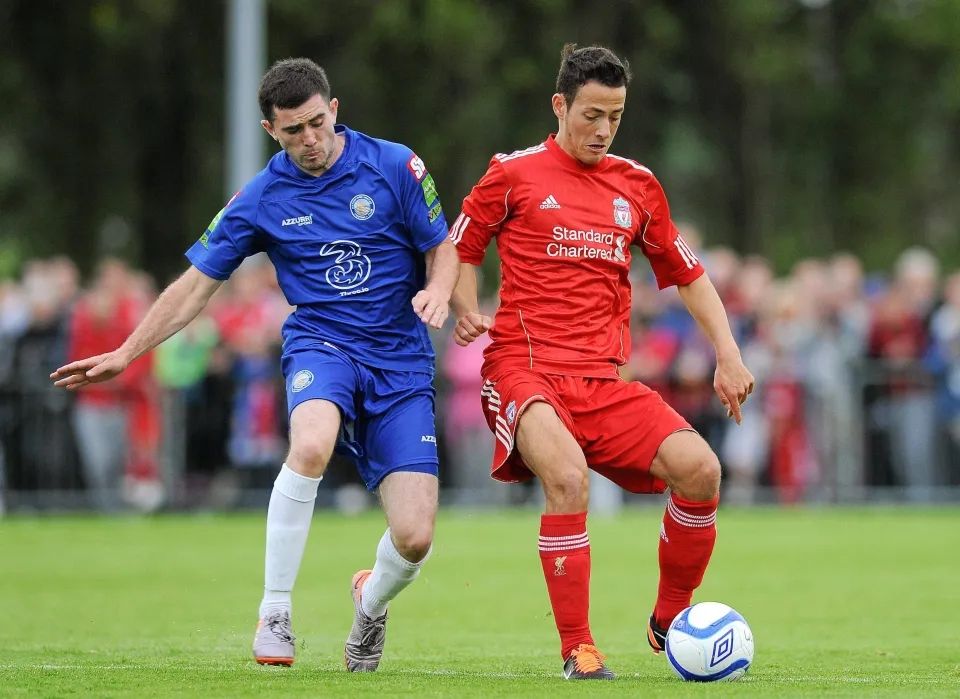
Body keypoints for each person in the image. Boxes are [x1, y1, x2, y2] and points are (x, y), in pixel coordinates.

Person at [51, 57, 459, 671]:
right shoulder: (263, 196)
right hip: (322, 345)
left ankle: (370, 602)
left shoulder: (395, 164)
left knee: (415, 537)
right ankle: (275, 610)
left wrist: (439, 290)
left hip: (401, 362)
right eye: (293, 130)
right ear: (271, 130)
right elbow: (196, 285)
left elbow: (442, 246)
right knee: (312, 442)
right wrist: (127, 351)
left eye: (317, 123)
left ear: (335, 110)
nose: (310, 140)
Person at [449, 44, 754, 680]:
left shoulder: (637, 185)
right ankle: (578, 650)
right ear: (560, 106)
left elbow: (690, 276)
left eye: (614, 115)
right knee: (566, 479)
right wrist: (466, 306)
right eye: (591, 113)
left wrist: (727, 353)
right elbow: (462, 246)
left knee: (701, 470)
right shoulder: (513, 173)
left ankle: (670, 617)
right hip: (522, 369)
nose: (602, 128)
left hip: (601, 381)